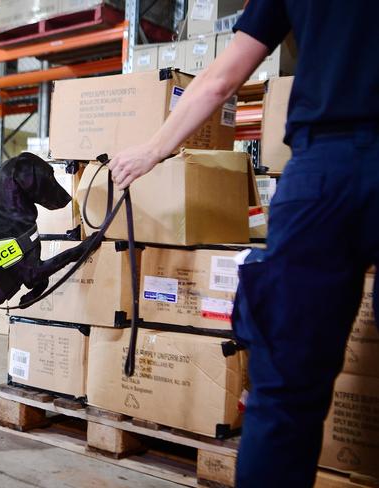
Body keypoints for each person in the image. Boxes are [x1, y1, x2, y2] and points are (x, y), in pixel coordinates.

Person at [107, 1, 379, 486]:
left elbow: (222, 79)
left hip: (322, 175)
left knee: (284, 392)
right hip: (326, 168)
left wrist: (152, 150)